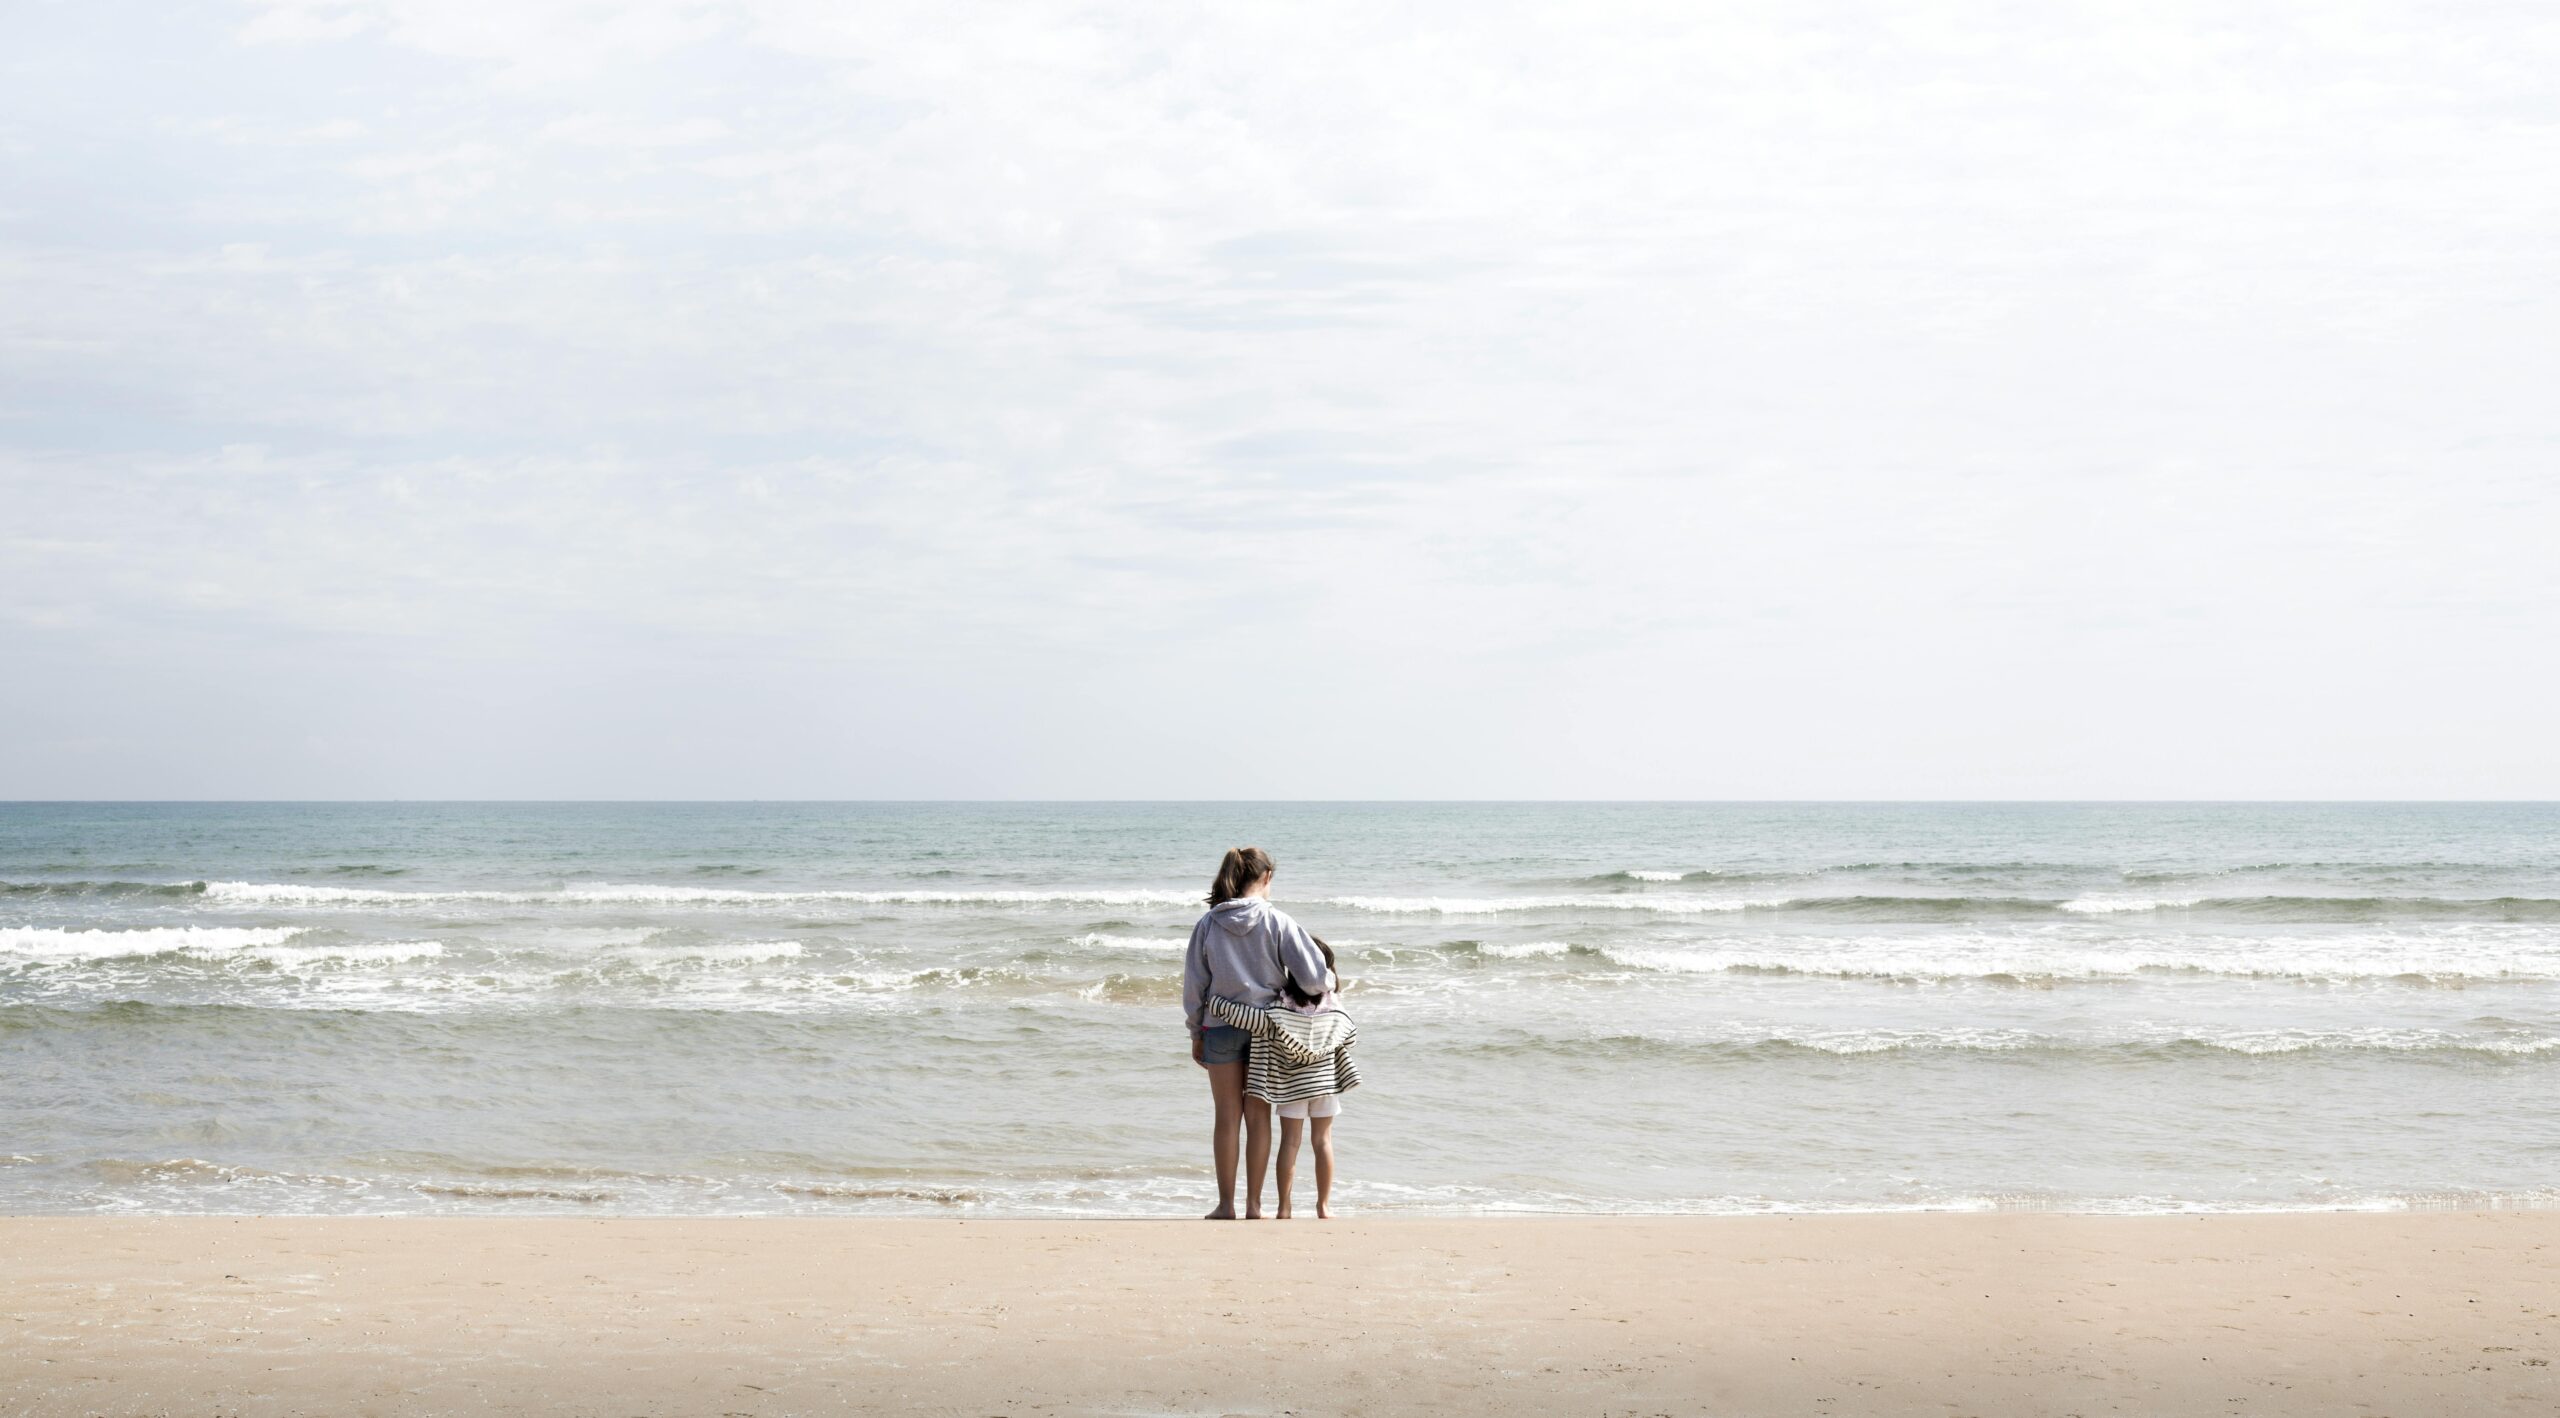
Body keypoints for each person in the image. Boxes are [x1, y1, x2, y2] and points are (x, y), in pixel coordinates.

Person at [1182, 846, 1328, 1220]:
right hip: (1268, 1030)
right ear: (1265, 878)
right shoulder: (1277, 921)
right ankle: (1254, 1205)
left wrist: (1196, 1030)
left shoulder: (1209, 923)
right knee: (1258, 1117)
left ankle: (1226, 1204)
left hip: (1219, 1026)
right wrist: (1327, 980)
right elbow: (1313, 979)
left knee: (1226, 1117)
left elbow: (1195, 985)